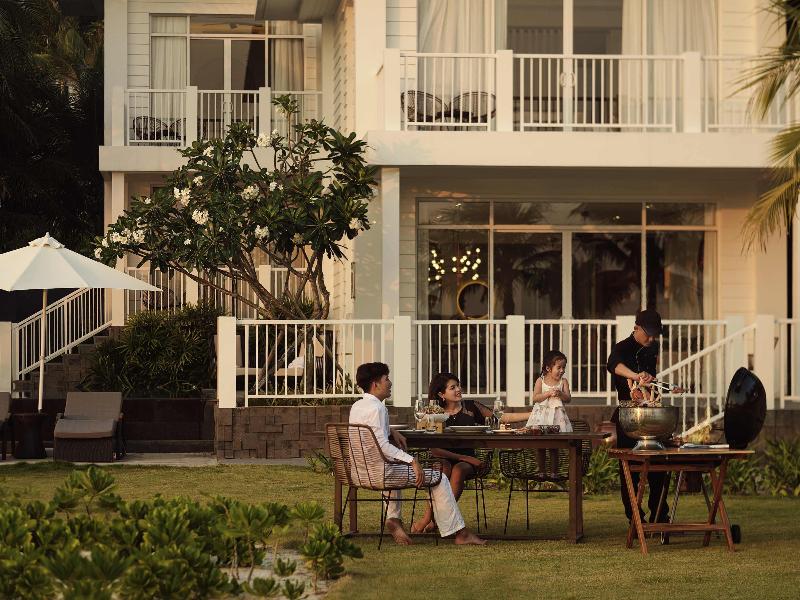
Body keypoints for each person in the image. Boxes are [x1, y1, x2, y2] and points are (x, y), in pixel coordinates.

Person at [348, 362, 486, 546]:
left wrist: (390, 430)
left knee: (394, 468)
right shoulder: (378, 408)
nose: (390, 383)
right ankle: (461, 534)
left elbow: (371, 433)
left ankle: (393, 518)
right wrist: (412, 461)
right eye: (386, 379)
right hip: (382, 475)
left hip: (359, 474)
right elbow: (382, 445)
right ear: (376, 384)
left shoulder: (357, 407)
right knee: (439, 478)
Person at [606, 308, 669, 524]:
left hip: (650, 413)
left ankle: (659, 514)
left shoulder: (653, 347)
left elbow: (651, 380)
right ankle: (635, 517)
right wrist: (635, 376)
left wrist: (651, 383)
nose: (651, 339)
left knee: (659, 465)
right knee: (630, 469)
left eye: (655, 335)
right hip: (628, 416)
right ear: (636, 328)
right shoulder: (622, 347)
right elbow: (612, 365)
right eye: (648, 334)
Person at [411, 372, 493, 534]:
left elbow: (500, 417)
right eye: (452, 387)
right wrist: (465, 457)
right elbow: (434, 448)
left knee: (459, 470)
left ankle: (431, 519)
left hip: (467, 462)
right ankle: (433, 519)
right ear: (441, 394)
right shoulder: (433, 412)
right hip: (444, 457)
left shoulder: (471, 407)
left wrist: (532, 414)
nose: (458, 389)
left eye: (458, 386)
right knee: (443, 469)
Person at [528, 350, 573, 478]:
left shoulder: (563, 382)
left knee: (554, 445)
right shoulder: (540, 381)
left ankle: (554, 472)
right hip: (541, 417)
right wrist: (548, 393)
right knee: (541, 445)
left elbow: (568, 398)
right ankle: (541, 471)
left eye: (564, 367)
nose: (562, 370)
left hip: (556, 418)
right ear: (548, 368)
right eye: (559, 367)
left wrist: (560, 394)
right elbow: (535, 398)